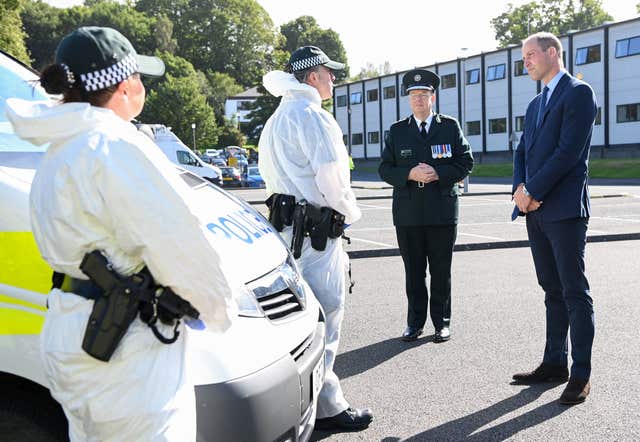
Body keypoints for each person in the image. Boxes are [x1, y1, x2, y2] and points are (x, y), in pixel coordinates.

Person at [6, 26, 237, 440]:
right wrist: (220, 313)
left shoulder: (58, 150)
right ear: (124, 86)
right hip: (128, 358)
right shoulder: (114, 146)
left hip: (73, 333)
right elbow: (180, 243)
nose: (143, 88)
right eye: (140, 79)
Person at [258, 46, 373, 431]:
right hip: (317, 234)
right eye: (328, 72)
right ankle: (327, 407)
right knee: (326, 315)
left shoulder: (276, 118)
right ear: (311, 77)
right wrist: (350, 214)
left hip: (286, 230)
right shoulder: (313, 117)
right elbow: (332, 181)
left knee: (294, 319)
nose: (333, 79)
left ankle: (296, 405)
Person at [510, 32, 597, 405]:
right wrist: (519, 189)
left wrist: (533, 191)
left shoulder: (578, 92)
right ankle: (554, 362)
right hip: (536, 211)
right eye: (523, 57)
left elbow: (567, 153)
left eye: (531, 54)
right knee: (551, 290)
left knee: (574, 291)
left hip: (563, 210)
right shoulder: (534, 104)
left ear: (552, 52)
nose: (526, 61)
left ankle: (580, 375)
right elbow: (522, 152)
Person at [379, 69, 473, 344]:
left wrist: (438, 174)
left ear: (433, 97)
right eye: (413, 95)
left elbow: (466, 163)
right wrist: (409, 174)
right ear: (408, 99)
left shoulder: (449, 126)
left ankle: (442, 323)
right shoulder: (397, 131)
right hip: (408, 213)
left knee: (441, 271)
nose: (418, 100)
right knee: (414, 272)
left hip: (441, 211)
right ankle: (414, 323)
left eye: (423, 94)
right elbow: (385, 168)